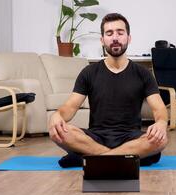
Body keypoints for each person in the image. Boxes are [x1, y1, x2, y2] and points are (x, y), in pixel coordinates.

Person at [48, 13, 168, 167]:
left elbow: (159, 109)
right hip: (95, 137)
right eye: (109, 33)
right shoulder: (89, 72)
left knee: (161, 139)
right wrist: (57, 116)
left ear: (128, 38)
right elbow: (70, 107)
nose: (115, 38)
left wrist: (161, 123)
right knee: (57, 131)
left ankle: (92, 158)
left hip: (131, 138)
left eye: (120, 32)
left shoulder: (143, 74)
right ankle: (123, 158)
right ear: (102, 40)